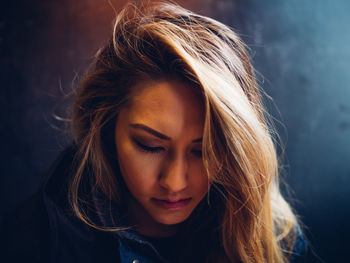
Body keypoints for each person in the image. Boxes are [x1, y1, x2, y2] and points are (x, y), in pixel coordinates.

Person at [1, 1, 307, 262]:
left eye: (203, 151)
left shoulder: (272, 235)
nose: (174, 182)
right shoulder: (34, 243)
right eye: (150, 145)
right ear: (106, 126)